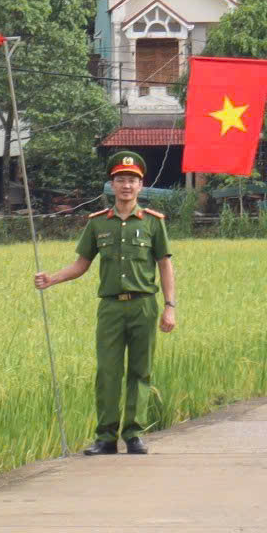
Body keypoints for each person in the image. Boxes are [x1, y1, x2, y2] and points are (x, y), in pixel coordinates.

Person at [34, 152, 176, 455]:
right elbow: (82, 264)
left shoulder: (153, 223)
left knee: (141, 370)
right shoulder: (98, 224)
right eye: (121, 179)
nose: (126, 185)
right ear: (112, 184)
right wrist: (52, 279)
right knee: (107, 371)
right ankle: (106, 437)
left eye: (132, 180)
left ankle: (134, 434)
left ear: (141, 185)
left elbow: (164, 264)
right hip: (111, 307)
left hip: (144, 305)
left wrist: (169, 306)